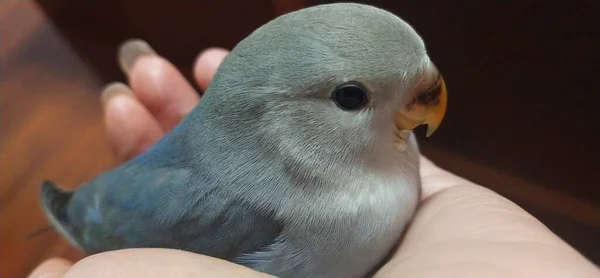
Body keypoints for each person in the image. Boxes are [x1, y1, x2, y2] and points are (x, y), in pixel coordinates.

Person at [28, 42, 600, 278]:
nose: (428, 111)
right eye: (353, 98)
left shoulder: (390, 156)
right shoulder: (228, 210)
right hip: (122, 206)